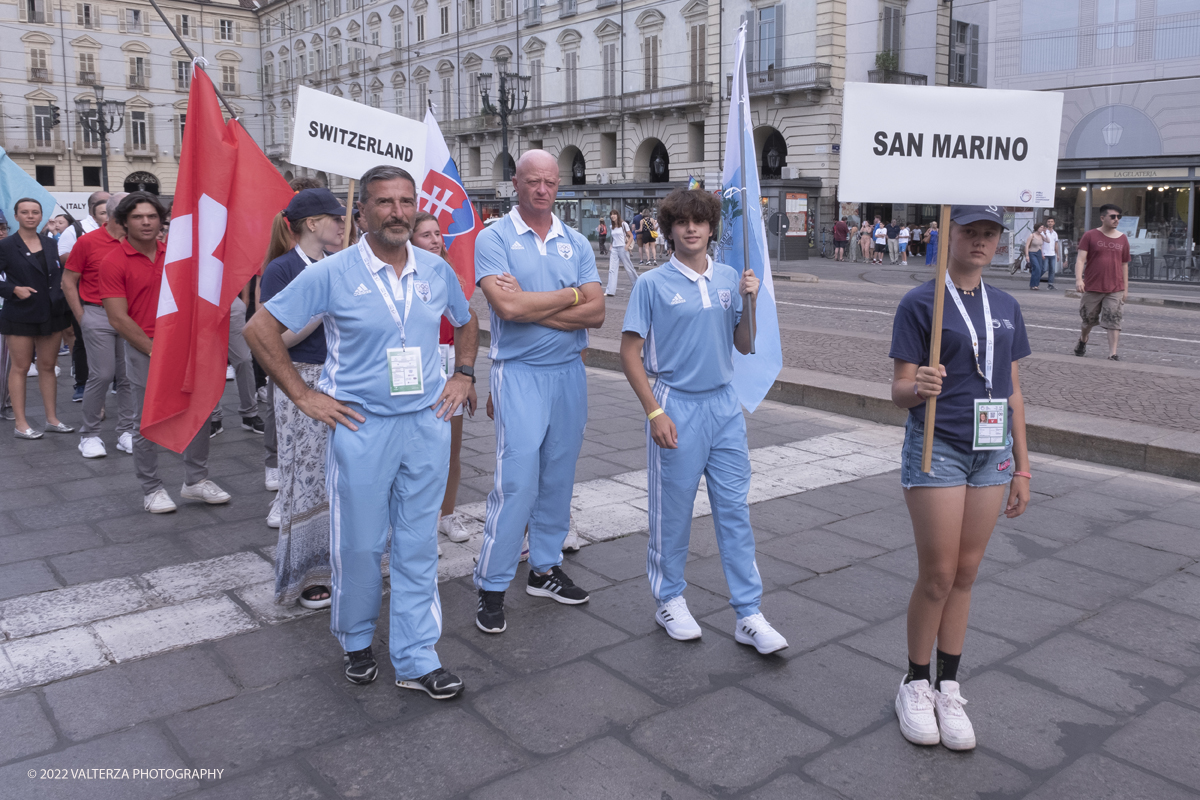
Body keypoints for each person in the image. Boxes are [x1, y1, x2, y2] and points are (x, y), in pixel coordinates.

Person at [246, 165, 478, 700]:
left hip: (426, 423)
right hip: (362, 425)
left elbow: (466, 321)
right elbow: (260, 329)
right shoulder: (334, 271)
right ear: (363, 212)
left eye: (405, 201)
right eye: (384, 203)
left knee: (419, 545)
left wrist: (463, 375)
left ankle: (418, 657)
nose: (397, 212)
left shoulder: (435, 269)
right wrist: (304, 396)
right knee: (360, 545)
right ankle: (354, 639)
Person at [620, 188, 788, 653]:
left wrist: (750, 303)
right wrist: (654, 410)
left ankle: (748, 613)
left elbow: (745, 344)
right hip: (675, 403)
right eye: (681, 222)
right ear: (670, 229)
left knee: (734, 511)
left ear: (712, 227)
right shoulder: (652, 284)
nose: (691, 229)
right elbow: (629, 353)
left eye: (699, 222)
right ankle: (669, 598)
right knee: (672, 512)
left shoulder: (730, 277)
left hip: (723, 406)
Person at [888, 205, 1031, 752]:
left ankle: (948, 683)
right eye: (970, 231)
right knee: (939, 575)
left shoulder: (1007, 305)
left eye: (989, 233)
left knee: (968, 573)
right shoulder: (921, 302)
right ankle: (914, 682)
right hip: (938, 447)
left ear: (998, 241)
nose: (980, 241)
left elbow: (1013, 389)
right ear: (949, 235)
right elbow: (898, 390)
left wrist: (1023, 463)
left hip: (992, 453)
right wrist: (917, 385)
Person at [472, 150, 605, 635]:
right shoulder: (494, 237)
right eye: (532, 181)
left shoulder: (576, 242)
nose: (542, 190)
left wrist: (532, 305)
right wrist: (571, 295)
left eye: (550, 181)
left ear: (559, 184)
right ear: (516, 183)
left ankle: (545, 567)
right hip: (520, 372)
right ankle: (491, 583)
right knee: (518, 481)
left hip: (569, 371)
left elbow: (598, 313)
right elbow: (505, 308)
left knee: (558, 476)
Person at [100, 192, 231, 512]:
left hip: (185, 349)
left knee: (198, 413)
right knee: (146, 421)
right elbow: (118, 317)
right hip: (144, 349)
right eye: (137, 217)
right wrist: (155, 351)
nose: (145, 222)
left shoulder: (177, 254)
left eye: (151, 216)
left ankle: (195, 481)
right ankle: (151, 489)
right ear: (123, 222)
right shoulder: (112, 261)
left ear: (162, 220)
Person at [258, 188, 346, 609]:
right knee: (306, 475)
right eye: (337, 218)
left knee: (342, 475)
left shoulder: (338, 264)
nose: (343, 226)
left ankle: (345, 559)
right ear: (313, 223)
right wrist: (322, 306)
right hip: (302, 378)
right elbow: (274, 336)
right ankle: (309, 574)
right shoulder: (281, 269)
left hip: (343, 378)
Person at [410, 211, 479, 549]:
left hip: (451, 366)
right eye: (426, 235)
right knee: (421, 453)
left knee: (451, 451)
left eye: (438, 234)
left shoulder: (447, 274)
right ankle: (421, 524)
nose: (436, 240)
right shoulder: (400, 276)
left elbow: (466, 324)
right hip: (417, 367)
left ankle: (447, 515)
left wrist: (468, 377)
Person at [63, 193, 138, 458]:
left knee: (129, 376)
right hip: (98, 313)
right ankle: (90, 435)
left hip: (130, 317)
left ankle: (126, 431)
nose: (140, 220)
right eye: (134, 214)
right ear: (120, 215)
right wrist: (82, 316)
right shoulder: (88, 242)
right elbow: (68, 281)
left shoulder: (137, 241)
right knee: (103, 375)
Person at [0, 198, 73, 439]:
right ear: (17, 216)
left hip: (51, 312)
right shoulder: (7, 245)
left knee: (48, 367)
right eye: (25, 212)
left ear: (41, 216)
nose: (30, 216)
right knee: (20, 368)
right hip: (21, 312)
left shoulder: (50, 243)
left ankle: (52, 419)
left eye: (35, 212)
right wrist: (12, 290)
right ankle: (21, 423)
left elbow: (57, 274)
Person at [1073, 204, 1130, 361]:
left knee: (1114, 319)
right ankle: (1083, 339)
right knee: (1088, 321)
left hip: (1115, 287)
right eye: (1113, 216)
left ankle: (1112, 353)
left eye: (1119, 217)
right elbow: (1080, 259)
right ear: (1102, 218)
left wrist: (1125, 288)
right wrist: (1079, 279)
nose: (1116, 219)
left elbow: (1125, 264)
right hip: (1092, 286)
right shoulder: (1090, 236)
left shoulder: (1123, 238)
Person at [56, 191, 109, 261]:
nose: (112, 208)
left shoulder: (119, 228)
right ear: (93, 206)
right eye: (108, 204)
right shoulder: (74, 230)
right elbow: (62, 256)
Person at [605, 209, 638, 297]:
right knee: (612, 269)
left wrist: (627, 246)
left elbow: (631, 236)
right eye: (611, 215)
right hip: (615, 249)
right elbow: (615, 237)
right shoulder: (611, 226)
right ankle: (610, 291)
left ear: (617, 215)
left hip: (623, 248)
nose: (612, 216)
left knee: (629, 268)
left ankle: (638, 286)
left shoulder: (624, 224)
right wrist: (612, 245)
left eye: (614, 214)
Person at [1023, 223, 1046, 290]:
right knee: (1037, 268)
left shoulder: (1041, 236)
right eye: (1041, 227)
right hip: (1032, 253)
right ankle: (1033, 284)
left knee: (1041, 269)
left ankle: (1035, 284)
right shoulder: (1032, 235)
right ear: (1037, 228)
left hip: (1039, 253)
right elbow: (1027, 246)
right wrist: (1027, 255)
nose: (1042, 229)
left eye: (1043, 227)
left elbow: (1048, 241)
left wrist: (1045, 233)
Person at [1042, 216, 1061, 290]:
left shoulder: (1055, 233)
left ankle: (1050, 284)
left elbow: (1056, 244)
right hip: (1045, 253)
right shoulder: (1044, 232)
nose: (1050, 223)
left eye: (1051, 221)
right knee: (1044, 269)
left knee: (1052, 270)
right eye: (1049, 221)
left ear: (1054, 223)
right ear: (1047, 223)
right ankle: (1035, 279)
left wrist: (1058, 254)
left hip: (1052, 254)